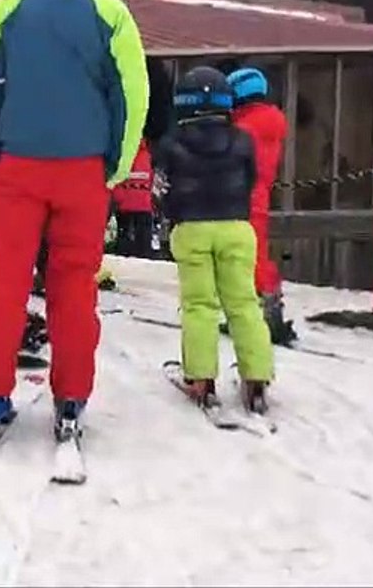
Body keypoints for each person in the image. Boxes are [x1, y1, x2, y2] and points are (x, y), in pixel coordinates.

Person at [0, 0, 149, 439]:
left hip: (16, 166)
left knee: (4, 283)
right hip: (83, 171)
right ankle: (71, 397)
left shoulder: (7, 8)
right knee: (73, 286)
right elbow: (131, 98)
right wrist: (113, 165)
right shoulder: (112, 14)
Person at [154, 66, 274, 414]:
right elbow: (252, 180)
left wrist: (170, 214)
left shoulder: (171, 143)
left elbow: (160, 190)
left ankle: (202, 379)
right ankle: (256, 380)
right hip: (236, 227)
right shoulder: (243, 140)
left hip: (191, 228)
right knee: (243, 304)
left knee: (199, 305)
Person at [228, 66, 297, 345]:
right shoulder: (269, 122)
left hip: (240, 196)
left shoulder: (243, 128)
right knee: (257, 253)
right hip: (258, 195)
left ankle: (259, 317)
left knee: (245, 258)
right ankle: (268, 310)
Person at [111, 139, 155, 257]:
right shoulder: (148, 156)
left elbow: (116, 178)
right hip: (144, 204)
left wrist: (118, 199)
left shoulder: (122, 156)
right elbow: (151, 179)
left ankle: (123, 254)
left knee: (124, 232)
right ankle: (144, 256)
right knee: (143, 235)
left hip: (125, 203)